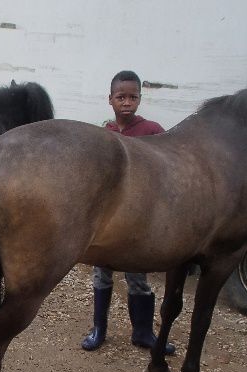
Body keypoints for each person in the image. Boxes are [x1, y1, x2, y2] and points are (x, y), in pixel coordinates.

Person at [80, 70, 175, 354]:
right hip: (106, 221)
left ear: (140, 99)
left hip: (137, 223)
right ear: (110, 100)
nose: (127, 102)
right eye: (121, 97)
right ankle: (99, 329)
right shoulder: (102, 133)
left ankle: (143, 332)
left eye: (133, 97)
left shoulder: (153, 132)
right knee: (102, 274)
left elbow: (167, 171)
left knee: (137, 276)